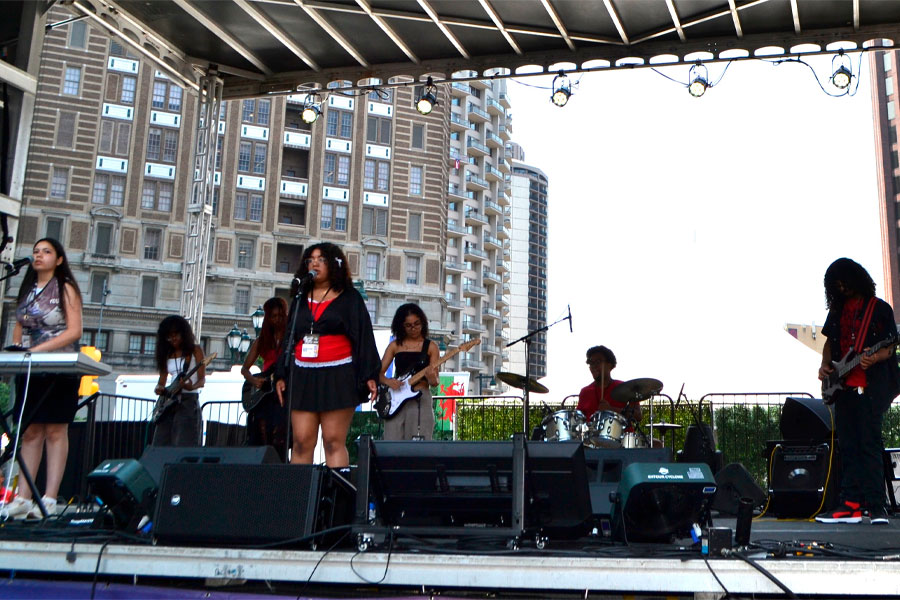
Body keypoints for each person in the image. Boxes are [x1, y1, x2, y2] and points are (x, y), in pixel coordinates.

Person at [274, 242, 380, 467]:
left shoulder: (350, 298)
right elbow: (289, 337)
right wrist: (281, 373)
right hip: (303, 375)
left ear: (334, 264)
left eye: (321, 259)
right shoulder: (301, 298)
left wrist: (370, 374)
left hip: (338, 375)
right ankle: (301, 490)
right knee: (301, 442)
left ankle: (336, 491)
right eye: (310, 260)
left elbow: (364, 336)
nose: (315, 263)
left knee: (333, 441)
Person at [815, 258, 900, 525]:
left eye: (845, 282)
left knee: (869, 445)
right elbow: (829, 343)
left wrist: (874, 358)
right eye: (837, 285)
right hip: (844, 389)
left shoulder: (879, 309)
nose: (842, 288)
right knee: (848, 446)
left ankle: (876, 507)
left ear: (857, 279)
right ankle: (849, 505)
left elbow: (890, 347)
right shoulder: (837, 310)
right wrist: (825, 365)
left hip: (870, 389)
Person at [4, 238, 83, 519]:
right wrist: (17, 351)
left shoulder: (65, 288)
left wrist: (37, 350)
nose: (39, 256)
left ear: (59, 260)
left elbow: (74, 330)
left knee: (55, 430)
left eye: (46, 252)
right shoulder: (27, 290)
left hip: (60, 366)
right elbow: (19, 326)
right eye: (36, 252)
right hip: (30, 367)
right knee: (30, 431)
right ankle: (24, 497)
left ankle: (49, 498)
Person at [379, 303, 440, 440]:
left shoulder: (431, 346)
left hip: (420, 396)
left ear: (423, 323)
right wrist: (388, 381)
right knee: (392, 438)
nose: (413, 329)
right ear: (401, 326)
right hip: (397, 396)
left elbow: (435, 381)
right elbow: (378, 373)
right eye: (408, 325)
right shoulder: (395, 345)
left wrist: (431, 377)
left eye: (417, 324)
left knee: (419, 441)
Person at [241, 297, 289, 461]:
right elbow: (244, 369)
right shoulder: (262, 341)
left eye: (280, 316)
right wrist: (254, 381)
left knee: (280, 432)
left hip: (282, 392)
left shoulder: (290, 339)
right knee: (262, 430)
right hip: (265, 393)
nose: (277, 320)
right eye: (273, 316)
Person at [152, 315, 206, 446]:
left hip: (188, 400)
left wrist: (191, 387)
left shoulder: (195, 350)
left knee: (184, 440)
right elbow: (162, 381)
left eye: (175, 334)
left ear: (183, 333)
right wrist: (159, 388)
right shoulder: (166, 354)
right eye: (169, 336)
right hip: (170, 400)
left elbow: (202, 380)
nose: (173, 339)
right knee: (161, 440)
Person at [576, 345, 641, 422]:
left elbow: (638, 416)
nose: (594, 366)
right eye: (591, 363)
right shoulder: (585, 392)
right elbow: (578, 420)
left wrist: (611, 409)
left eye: (598, 362)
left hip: (621, 430)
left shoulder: (625, 387)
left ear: (610, 365)